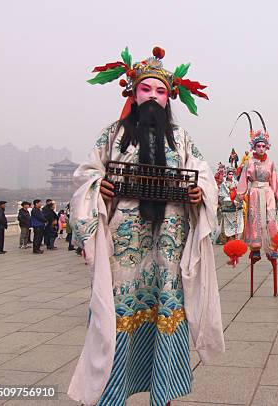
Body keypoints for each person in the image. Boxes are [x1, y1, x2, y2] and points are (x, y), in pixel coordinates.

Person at [68, 46, 224, 406]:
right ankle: (113, 394)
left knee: (167, 308)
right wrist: (99, 187)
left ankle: (163, 393)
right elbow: (88, 175)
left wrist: (200, 193)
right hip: (125, 242)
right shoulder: (112, 134)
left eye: (161, 92)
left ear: (169, 98)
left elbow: (205, 178)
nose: (153, 97)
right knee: (118, 311)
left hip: (168, 241)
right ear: (133, 93)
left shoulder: (181, 139)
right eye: (146, 90)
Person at [236, 111, 278, 266]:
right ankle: (255, 249)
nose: (261, 149)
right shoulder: (249, 163)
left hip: (268, 192)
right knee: (254, 218)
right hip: (255, 192)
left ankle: (272, 247)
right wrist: (240, 194)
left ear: (267, 147)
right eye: (258, 146)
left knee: (270, 218)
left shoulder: (271, 163)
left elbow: (274, 179)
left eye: (263, 146)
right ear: (254, 147)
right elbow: (243, 179)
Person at [218, 168, 244, 241]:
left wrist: (237, 198)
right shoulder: (224, 184)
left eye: (232, 174)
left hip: (236, 206)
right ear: (227, 175)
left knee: (238, 223)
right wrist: (228, 198)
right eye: (229, 174)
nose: (231, 175)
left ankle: (236, 238)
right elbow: (221, 194)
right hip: (227, 206)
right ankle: (227, 238)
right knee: (227, 224)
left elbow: (240, 192)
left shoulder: (236, 182)